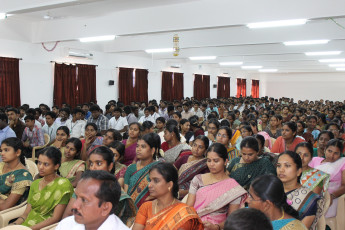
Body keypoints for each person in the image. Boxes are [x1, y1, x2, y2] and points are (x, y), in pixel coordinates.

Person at [63, 146, 136, 227]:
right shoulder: (83, 187)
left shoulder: (118, 195)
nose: (93, 168)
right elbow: (67, 214)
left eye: (98, 163)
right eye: (91, 163)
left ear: (110, 166)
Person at [186, 143, 247, 230]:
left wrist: (215, 227)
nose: (211, 164)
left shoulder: (233, 188)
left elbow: (231, 219)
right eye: (209, 160)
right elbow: (188, 209)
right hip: (194, 224)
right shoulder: (198, 179)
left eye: (216, 161)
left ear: (225, 162)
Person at [13, 147, 74, 229]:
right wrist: (15, 225)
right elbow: (26, 213)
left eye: (46, 164)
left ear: (56, 166)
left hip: (46, 227)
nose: (40, 167)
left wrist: (30, 229)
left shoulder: (63, 185)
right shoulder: (35, 184)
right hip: (27, 224)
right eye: (39, 163)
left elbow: (55, 218)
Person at [133, 162, 203, 230]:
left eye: (156, 181)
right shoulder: (146, 207)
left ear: (169, 185)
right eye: (150, 180)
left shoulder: (183, 213)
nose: (149, 185)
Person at [56, 170, 130, 230]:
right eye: (76, 197)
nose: (75, 206)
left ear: (105, 208)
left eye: (84, 200)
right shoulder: (67, 224)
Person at [277, 151, 319, 228]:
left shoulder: (308, 199)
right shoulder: (272, 190)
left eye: (287, 166)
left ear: (298, 171)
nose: (281, 170)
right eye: (279, 166)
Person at [309, 139, 345, 218]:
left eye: (336, 153)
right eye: (329, 151)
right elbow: (307, 179)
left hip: (333, 197)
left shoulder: (342, 163)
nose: (332, 155)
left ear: (340, 154)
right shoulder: (315, 160)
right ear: (325, 150)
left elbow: (344, 186)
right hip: (312, 194)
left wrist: (331, 197)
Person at [124, 133, 162, 208]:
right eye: (137, 146)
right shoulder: (131, 168)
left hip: (153, 208)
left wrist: (146, 201)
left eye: (143, 146)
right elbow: (126, 194)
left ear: (152, 150)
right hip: (131, 209)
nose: (138, 149)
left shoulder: (160, 167)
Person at [0, 138, 33, 211]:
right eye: (1, 150)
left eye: (6, 150)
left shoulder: (23, 176)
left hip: (7, 214)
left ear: (18, 152)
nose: (2, 153)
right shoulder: (1, 165)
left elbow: (5, 207)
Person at [174, 135, 209, 200]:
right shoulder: (184, 158)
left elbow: (203, 187)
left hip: (191, 196)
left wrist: (185, 192)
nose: (196, 149)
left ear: (205, 150)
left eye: (200, 147)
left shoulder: (205, 165)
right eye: (195, 145)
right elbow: (171, 172)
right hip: (176, 189)